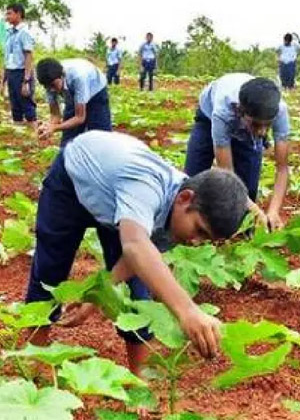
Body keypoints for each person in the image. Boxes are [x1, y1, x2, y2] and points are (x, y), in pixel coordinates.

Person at [25, 130, 250, 374]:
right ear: (185, 198)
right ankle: (35, 364)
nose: (197, 241)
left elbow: (134, 261)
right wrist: (187, 311)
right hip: (72, 179)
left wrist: (97, 296)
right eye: (200, 230)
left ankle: (139, 380)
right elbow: (135, 247)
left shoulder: (177, 218)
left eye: (207, 239)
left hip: (118, 205)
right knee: (50, 270)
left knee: (135, 292)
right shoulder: (146, 188)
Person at [184, 75, 290, 230]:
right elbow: (227, 174)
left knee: (249, 189)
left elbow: (282, 169)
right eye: (256, 125)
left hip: (244, 122)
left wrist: (273, 211)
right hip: (207, 117)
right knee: (193, 178)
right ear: (240, 111)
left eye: (268, 125)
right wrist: (256, 211)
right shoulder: (222, 111)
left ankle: (242, 231)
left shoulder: (279, 111)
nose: (262, 132)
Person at [35, 58, 111, 146]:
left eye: (53, 85)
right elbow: (55, 115)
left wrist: (55, 127)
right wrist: (48, 127)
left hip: (96, 91)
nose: (51, 90)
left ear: (62, 76)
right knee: (68, 141)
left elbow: (80, 117)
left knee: (100, 137)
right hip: (73, 92)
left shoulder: (78, 77)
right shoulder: (49, 83)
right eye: (47, 87)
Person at [1, 3, 37, 124]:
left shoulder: (24, 33)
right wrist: (3, 81)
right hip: (11, 73)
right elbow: (6, 59)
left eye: (10, 13)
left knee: (27, 106)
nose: (7, 16)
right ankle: (21, 138)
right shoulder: (9, 34)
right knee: (15, 107)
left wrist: (26, 81)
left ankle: (35, 137)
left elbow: (28, 56)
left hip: (22, 73)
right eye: (7, 13)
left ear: (18, 14)